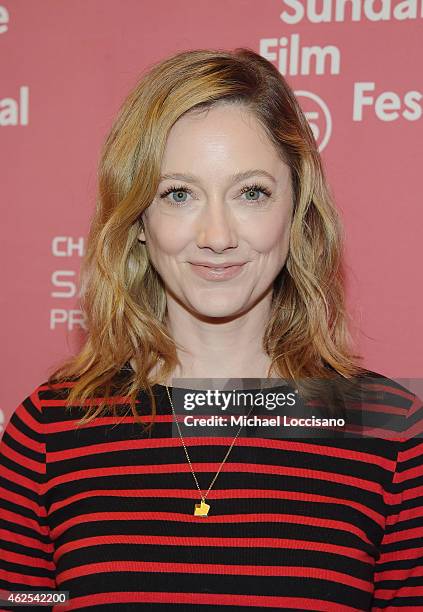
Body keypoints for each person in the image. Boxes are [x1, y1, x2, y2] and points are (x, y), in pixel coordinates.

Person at [1, 47, 422, 611]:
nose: (217, 234)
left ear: (295, 209)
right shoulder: (48, 433)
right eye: (179, 194)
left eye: (252, 192)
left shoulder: (391, 435)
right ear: (139, 221)